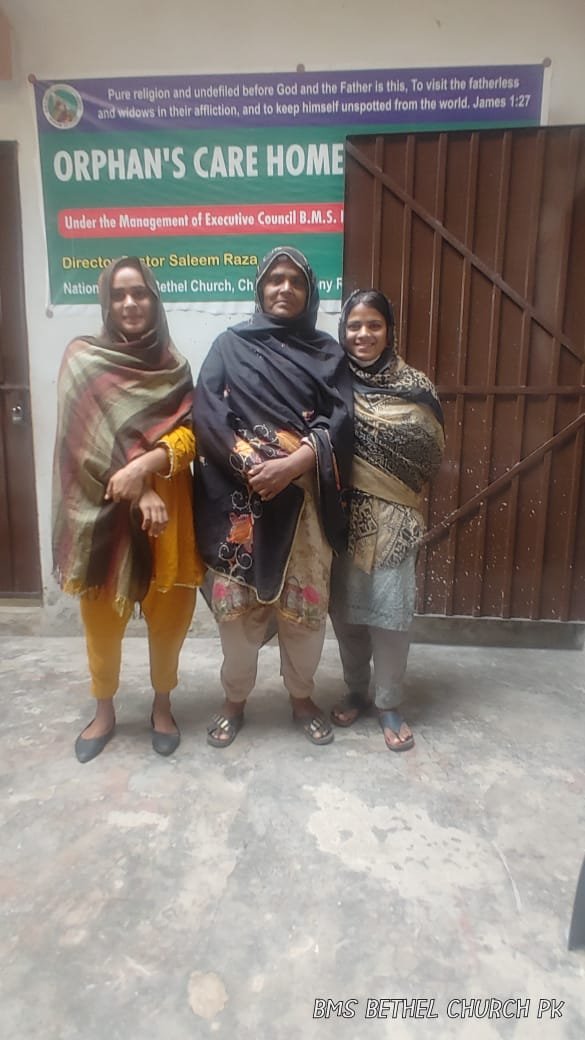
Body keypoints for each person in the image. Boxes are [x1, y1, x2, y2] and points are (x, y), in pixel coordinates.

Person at [194, 246, 353, 747]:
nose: (285, 288)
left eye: (296, 282)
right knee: (238, 610)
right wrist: (249, 464)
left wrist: (294, 464)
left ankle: (301, 696)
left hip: (304, 500)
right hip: (243, 502)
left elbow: (343, 418)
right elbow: (206, 413)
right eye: (275, 280)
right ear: (260, 287)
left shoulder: (327, 353)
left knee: (305, 609)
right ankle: (234, 698)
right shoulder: (230, 345)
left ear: (309, 293)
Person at [52, 257, 205, 763]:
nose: (130, 303)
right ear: (106, 303)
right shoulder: (82, 360)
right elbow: (82, 446)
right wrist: (140, 488)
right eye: (119, 295)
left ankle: (163, 704)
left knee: (169, 617)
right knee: (101, 619)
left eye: (139, 293)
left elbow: (193, 432)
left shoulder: (175, 367)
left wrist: (150, 465)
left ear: (154, 301)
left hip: (171, 517)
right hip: (103, 519)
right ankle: (105, 711)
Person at [329, 289, 445, 751]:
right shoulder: (331, 381)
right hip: (340, 515)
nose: (363, 334)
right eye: (354, 326)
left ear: (388, 330)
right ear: (343, 331)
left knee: (391, 615)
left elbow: (430, 450)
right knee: (348, 614)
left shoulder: (415, 385)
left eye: (373, 325)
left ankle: (390, 701)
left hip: (395, 517)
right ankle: (357, 690)